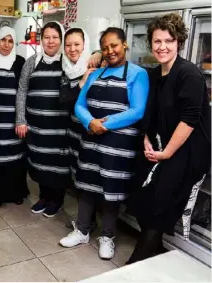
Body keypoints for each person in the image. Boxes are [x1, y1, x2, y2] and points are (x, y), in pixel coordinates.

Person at [127, 13, 211, 264]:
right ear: (150, 44)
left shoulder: (190, 75)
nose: (162, 47)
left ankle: (135, 264)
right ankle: (155, 248)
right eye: (157, 41)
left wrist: (166, 153)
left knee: (159, 203)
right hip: (159, 146)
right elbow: (149, 112)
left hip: (186, 151)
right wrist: (145, 138)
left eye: (169, 41)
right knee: (139, 198)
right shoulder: (152, 75)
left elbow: (189, 120)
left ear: (179, 43)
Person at [59, 27, 149, 260]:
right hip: (91, 140)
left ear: (124, 45)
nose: (110, 51)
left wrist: (104, 125)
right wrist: (90, 122)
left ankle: (108, 236)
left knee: (112, 192)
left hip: (118, 146)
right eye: (106, 47)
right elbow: (79, 104)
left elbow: (137, 110)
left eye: (114, 46)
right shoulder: (95, 74)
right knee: (87, 187)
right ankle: (82, 230)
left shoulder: (138, 74)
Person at [15, 21, 70, 218]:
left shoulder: (68, 61)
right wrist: (20, 119)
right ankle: (45, 197)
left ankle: (57, 200)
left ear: (61, 40)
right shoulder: (32, 62)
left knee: (57, 165)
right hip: (37, 126)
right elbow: (22, 91)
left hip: (59, 127)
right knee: (39, 162)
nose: (50, 41)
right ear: (41, 40)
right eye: (46, 37)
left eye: (55, 37)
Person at [0, 26, 29, 206]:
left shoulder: (20, 62)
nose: (6, 45)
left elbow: (23, 91)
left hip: (13, 121)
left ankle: (14, 194)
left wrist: (21, 118)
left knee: (14, 157)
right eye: (3, 40)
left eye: (10, 41)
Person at [59, 27, 98, 232]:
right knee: (79, 176)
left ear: (85, 45)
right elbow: (64, 101)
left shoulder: (95, 64)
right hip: (73, 131)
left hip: (90, 132)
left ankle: (88, 223)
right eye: (69, 45)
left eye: (77, 44)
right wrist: (82, 83)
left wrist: (98, 53)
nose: (72, 49)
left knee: (88, 176)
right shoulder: (66, 69)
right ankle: (86, 220)